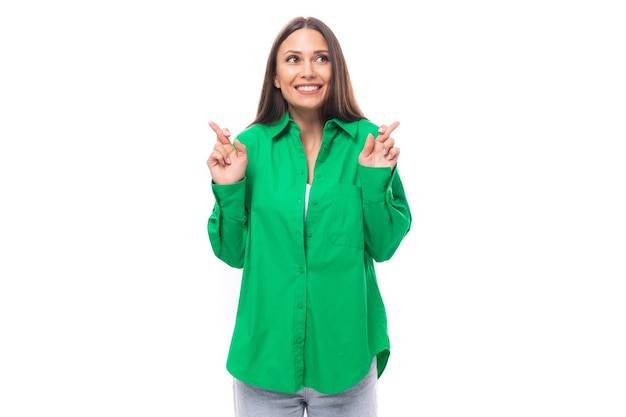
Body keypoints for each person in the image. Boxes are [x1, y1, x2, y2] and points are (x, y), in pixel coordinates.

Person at [206, 16, 412, 417]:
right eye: (293, 59)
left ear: (335, 70)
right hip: (264, 362)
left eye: (320, 58)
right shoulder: (248, 148)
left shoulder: (368, 143)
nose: (307, 71)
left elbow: (383, 246)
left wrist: (374, 182)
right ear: (276, 77)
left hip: (345, 359)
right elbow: (233, 253)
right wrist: (229, 187)